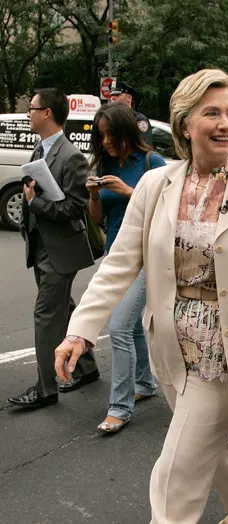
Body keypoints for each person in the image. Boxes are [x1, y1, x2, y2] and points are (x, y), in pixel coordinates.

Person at [54, 69, 228, 524]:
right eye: (211, 113)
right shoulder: (155, 186)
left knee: (176, 470)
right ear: (184, 123)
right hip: (170, 344)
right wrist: (80, 332)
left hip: (226, 351)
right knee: (211, 437)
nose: (226, 124)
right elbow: (119, 263)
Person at [7, 88, 99, 409]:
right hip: (40, 244)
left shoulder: (71, 156)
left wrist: (36, 204)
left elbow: (76, 207)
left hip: (60, 250)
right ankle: (87, 368)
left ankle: (45, 389)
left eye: (31, 109)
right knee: (65, 309)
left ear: (47, 113)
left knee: (46, 316)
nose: (27, 114)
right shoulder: (40, 147)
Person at [87, 103, 166, 432]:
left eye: (111, 135)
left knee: (119, 326)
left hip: (146, 256)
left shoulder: (152, 163)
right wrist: (94, 196)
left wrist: (129, 191)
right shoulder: (105, 163)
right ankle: (144, 383)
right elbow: (97, 218)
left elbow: (167, 210)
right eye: (101, 135)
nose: (105, 141)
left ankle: (119, 408)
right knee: (131, 327)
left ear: (126, 132)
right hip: (115, 253)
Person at [110, 80, 153, 146]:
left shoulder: (138, 119)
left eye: (117, 95)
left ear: (129, 98)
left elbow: (144, 147)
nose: (113, 97)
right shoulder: (109, 119)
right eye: (111, 95)